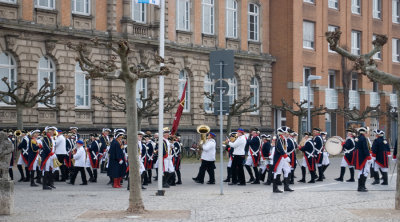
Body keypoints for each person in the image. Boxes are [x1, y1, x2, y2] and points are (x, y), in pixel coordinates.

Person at [272, 126, 293, 193]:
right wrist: (285, 156)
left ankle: (286, 187)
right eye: (287, 132)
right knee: (277, 172)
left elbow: (285, 148)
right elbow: (279, 148)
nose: (288, 133)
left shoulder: (283, 138)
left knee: (287, 170)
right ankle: (275, 188)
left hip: (283, 157)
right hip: (280, 157)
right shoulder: (279, 138)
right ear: (283, 132)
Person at [354, 127, 373, 192]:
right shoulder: (363, 139)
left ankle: (362, 186)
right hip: (363, 157)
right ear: (364, 132)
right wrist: (368, 156)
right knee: (363, 171)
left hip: (359, 156)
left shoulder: (358, 138)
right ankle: (360, 187)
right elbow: (365, 148)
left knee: (365, 171)